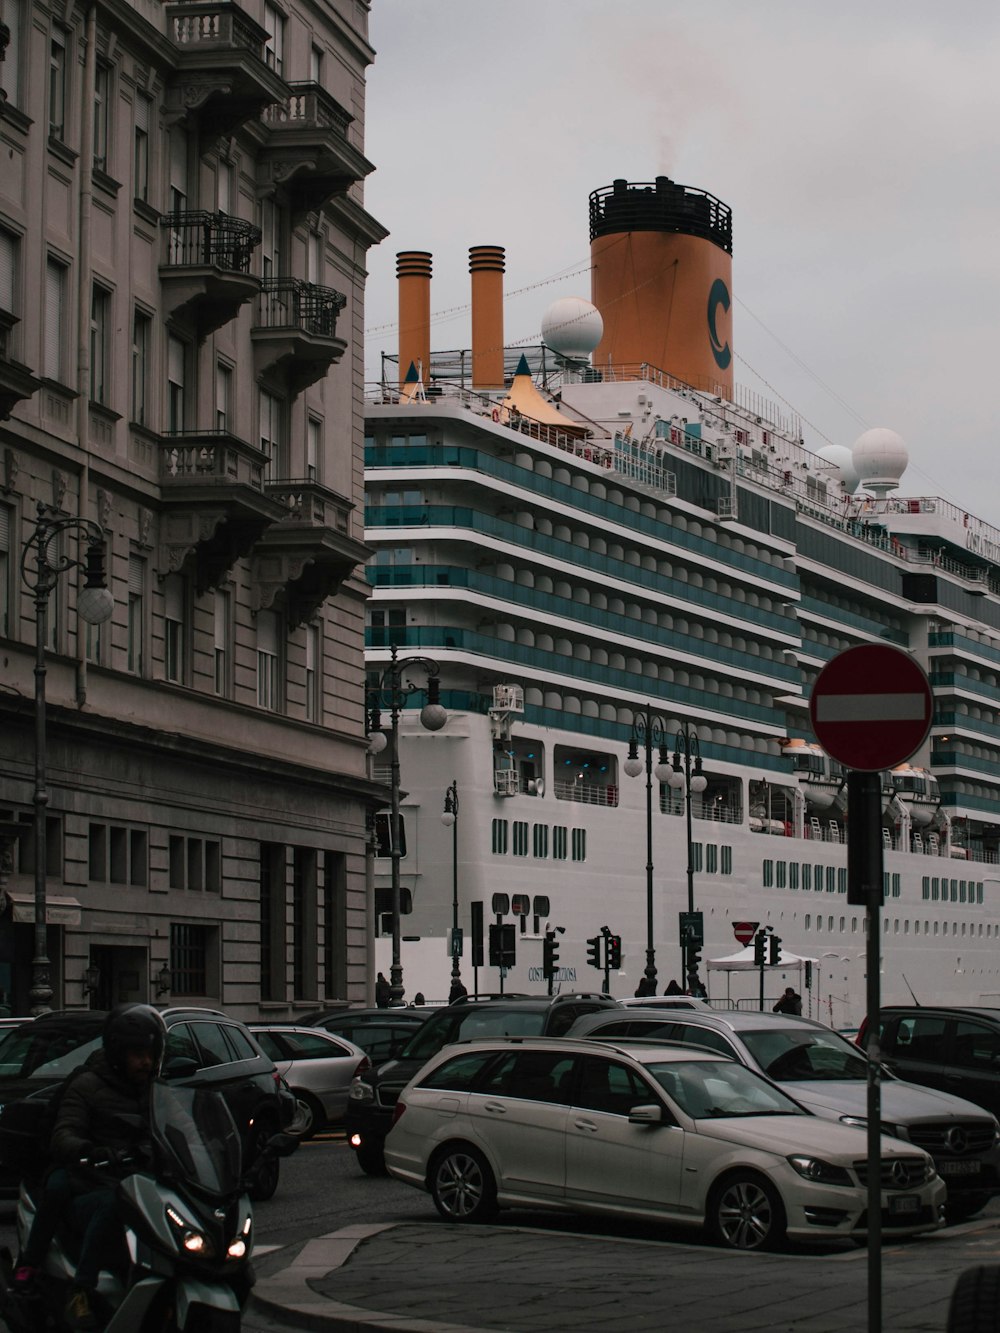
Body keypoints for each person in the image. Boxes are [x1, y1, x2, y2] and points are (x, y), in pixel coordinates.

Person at [15, 1003, 164, 1330]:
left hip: (142, 1181)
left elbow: (180, 1127)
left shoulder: (154, 1090)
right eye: (137, 1053)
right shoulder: (87, 1085)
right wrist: (88, 1149)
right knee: (114, 1205)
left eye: (150, 1053)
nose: (146, 1061)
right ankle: (79, 1289)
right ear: (117, 1051)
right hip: (91, 1180)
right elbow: (64, 1131)